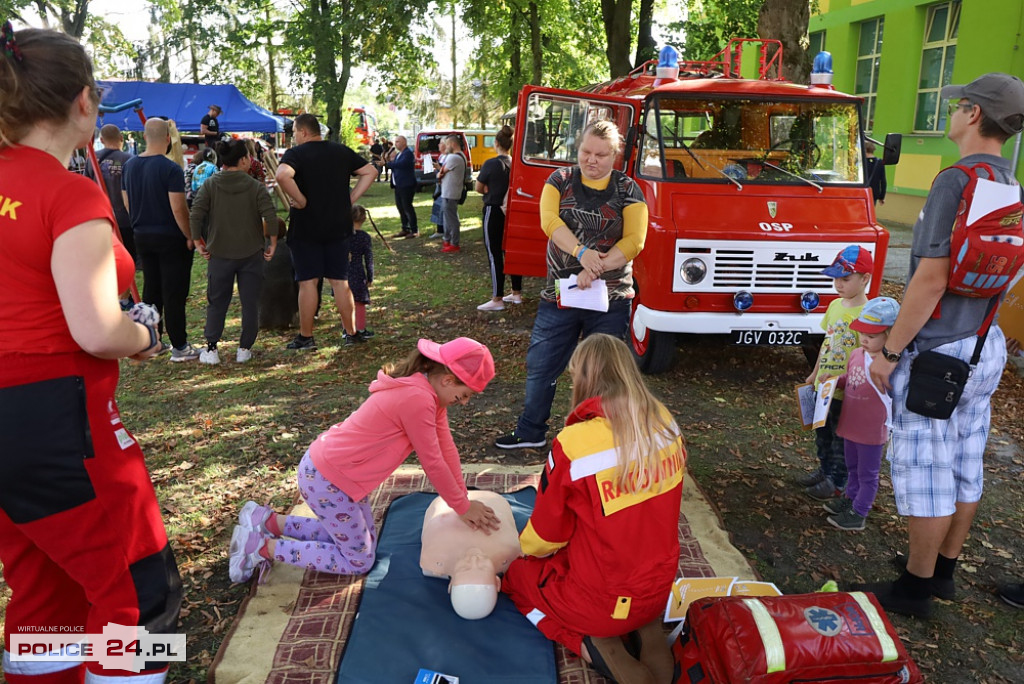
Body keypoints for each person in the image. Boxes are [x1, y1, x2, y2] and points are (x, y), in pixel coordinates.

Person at [0, 23, 181, 684]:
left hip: (18, 432)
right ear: (83, 102)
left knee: (44, 593)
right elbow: (99, 331)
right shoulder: (68, 193)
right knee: (139, 600)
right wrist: (147, 335)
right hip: (61, 420)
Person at [851, 73, 1024, 619]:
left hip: (937, 354)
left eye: (959, 106)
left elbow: (929, 280)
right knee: (965, 462)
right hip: (983, 345)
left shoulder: (955, 181)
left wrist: (890, 352)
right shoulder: (1010, 182)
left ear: (974, 115)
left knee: (926, 469)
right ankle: (945, 570)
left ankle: (914, 589)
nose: (951, 114)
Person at [228, 337, 501, 582]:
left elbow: (447, 449)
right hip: (330, 480)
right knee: (358, 560)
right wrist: (462, 507)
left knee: (362, 540)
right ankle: (260, 548)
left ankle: (268, 522)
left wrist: (463, 498)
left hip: (337, 476)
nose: (464, 402)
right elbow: (433, 462)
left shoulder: (429, 395)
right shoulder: (418, 400)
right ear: (448, 380)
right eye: (464, 395)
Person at [502, 334, 684, 683]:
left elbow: (545, 535)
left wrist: (520, 551)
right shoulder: (665, 421)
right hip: (659, 586)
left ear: (584, 379)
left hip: (604, 601)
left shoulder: (575, 444)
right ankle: (647, 628)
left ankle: (589, 643)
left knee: (519, 578)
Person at [495, 120, 648, 450]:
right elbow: (549, 221)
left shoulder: (629, 189)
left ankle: (597, 438)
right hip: (560, 293)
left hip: (611, 297)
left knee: (602, 371)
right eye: (585, 152)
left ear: (615, 155)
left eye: (601, 155)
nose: (592, 160)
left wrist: (596, 268)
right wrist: (582, 253)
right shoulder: (559, 180)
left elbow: (635, 240)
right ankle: (531, 430)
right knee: (542, 362)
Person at [275, 113, 377, 349]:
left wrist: (299, 199)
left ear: (302, 132)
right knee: (340, 282)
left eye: (294, 134)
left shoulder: (296, 154)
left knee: (308, 282)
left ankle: (306, 337)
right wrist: (350, 198)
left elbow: (282, 175)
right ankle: (351, 333)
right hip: (338, 226)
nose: (293, 139)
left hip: (305, 228)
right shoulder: (340, 151)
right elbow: (370, 172)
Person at [190, 138, 278, 364]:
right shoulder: (255, 186)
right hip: (251, 253)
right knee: (250, 302)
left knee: (217, 301)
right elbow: (270, 215)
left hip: (219, 253)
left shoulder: (210, 185)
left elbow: (196, 213)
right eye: (248, 156)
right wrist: (273, 242)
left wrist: (198, 241)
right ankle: (244, 348)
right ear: (242, 160)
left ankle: (211, 349)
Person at [796, 245, 873, 500]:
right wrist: (814, 374)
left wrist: (850, 383)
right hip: (823, 387)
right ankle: (825, 470)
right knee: (823, 434)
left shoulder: (868, 315)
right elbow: (827, 344)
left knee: (840, 440)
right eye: (836, 278)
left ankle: (837, 482)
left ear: (865, 278)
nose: (838, 284)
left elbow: (867, 357)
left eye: (846, 278)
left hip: (846, 393)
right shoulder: (835, 306)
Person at [122, 118, 201, 361]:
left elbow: (127, 202)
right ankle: (180, 346)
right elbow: (178, 209)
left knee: (152, 289)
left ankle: (151, 340)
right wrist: (190, 236)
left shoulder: (130, 166)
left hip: (142, 235)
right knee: (174, 292)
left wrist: (138, 221)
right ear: (168, 139)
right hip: (170, 237)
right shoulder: (170, 169)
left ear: (144, 137)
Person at [820, 297, 900, 531]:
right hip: (850, 423)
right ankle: (849, 499)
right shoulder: (856, 354)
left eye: (872, 335)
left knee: (867, 474)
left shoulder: (892, 366)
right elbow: (851, 380)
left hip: (872, 429)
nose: (864, 339)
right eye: (862, 332)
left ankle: (859, 512)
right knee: (852, 467)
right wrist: (835, 382)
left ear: (891, 334)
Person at [420, 490, 521, 620]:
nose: (473, 559)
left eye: (465, 568)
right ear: (497, 582)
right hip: (492, 499)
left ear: (450, 584)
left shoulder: (433, 557)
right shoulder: (510, 551)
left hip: (445, 499)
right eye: (482, 567)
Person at [476, 125, 523, 311]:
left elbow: (479, 187)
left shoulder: (491, 164)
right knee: (512, 251)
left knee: (494, 253)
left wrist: (488, 189)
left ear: (496, 143)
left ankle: (497, 298)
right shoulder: (517, 164)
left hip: (493, 210)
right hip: (513, 212)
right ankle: (516, 293)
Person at [95, 124, 136, 268]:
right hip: (125, 218)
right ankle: (127, 288)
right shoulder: (130, 159)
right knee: (127, 259)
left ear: (101, 139)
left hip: (101, 217)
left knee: (106, 262)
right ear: (121, 138)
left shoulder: (92, 160)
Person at [348, 205, 375, 339]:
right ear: (364, 219)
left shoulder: (342, 236)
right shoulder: (364, 237)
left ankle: (347, 329)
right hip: (358, 274)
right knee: (359, 304)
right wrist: (370, 276)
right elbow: (368, 258)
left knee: (345, 303)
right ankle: (361, 329)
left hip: (343, 274)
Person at [438, 134, 467, 253]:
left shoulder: (453, 158)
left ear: (453, 144)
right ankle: (448, 240)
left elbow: (441, 172)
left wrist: (439, 174)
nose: (446, 147)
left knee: (451, 219)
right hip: (452, 191)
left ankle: (454, 243)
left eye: (448, 144)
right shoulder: (461, 156)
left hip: (450, 192)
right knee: (449, 217)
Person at [387, 135, 419, 239]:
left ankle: (414, 230)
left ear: (404, 143)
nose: (396, 144)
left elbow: (401, 164)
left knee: (407, 207)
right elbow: (396, 165)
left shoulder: (408, 153)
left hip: (407, 185)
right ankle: (405, 228)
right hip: (398, 185)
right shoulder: (399, 154)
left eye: (398, 142)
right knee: (400, 207)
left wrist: (388, 164)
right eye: (395, 142)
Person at [865, 141, 886, 205]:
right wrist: (881, 197)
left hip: (861, 193)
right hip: (873, 194)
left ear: (864, 150)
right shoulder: (880, 162)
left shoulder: (861, 162)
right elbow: (883, 181)